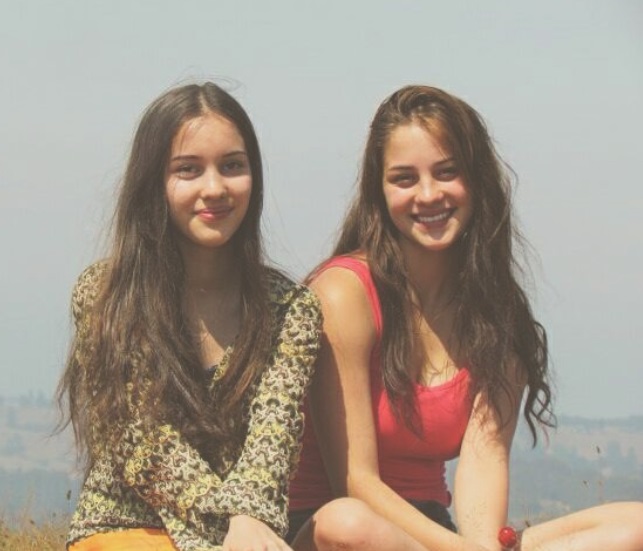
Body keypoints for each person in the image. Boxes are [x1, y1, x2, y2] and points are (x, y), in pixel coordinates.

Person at [286, 85, 643, 551]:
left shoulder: (497, 318)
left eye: (446, 172)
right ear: (380, 191)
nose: (428, 194)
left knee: (635, 525)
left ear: (477, 180)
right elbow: (356, 483)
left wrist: (480, 546)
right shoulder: (343, 293)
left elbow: (482, 471)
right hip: (335, 528)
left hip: (434, 535)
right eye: (404, 179)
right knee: (347, 523)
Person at [57, 82, 322, 551]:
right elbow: (144, 447)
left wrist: (247, 523)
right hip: (125, 525)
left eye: (233, 166)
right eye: (188, 169)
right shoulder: (106, 296)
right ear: (154, 182)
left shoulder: (290, 309)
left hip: (245, 531)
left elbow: (273, 441)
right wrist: (230, 526)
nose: (214, 188)